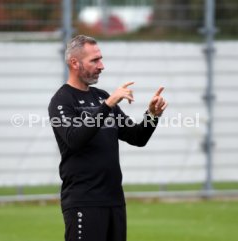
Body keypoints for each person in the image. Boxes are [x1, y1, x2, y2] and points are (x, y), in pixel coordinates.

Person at [48, 35, 167, 241]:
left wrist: (152, 116)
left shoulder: (101, 96)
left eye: (101, 59)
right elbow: (75, 139)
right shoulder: (62, 100)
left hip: (114, 201)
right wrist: (108, 105)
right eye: (94, 60)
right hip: (83, 202)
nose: (101, 65)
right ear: (74, 63)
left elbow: (137, 137)